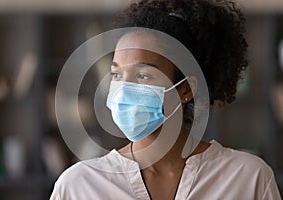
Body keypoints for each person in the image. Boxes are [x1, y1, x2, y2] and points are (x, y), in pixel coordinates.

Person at [50, 0, 282, 199]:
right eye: (117, 75)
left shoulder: (248, 179)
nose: (123, 90)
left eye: (143, 75)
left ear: (186, 90)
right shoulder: (78, 186)